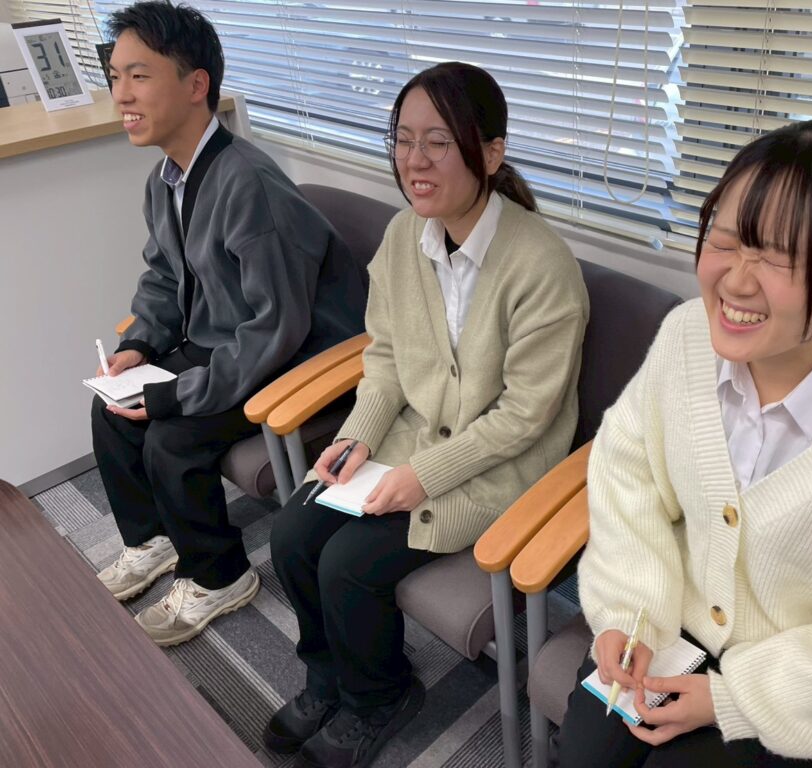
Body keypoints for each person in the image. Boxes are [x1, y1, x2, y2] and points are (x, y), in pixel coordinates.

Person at [556, 119, 812, 767]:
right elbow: (627, 470)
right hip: (666, 625)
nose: (736, 281)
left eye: (782, 258)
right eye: (725, 240)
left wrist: (736, 698)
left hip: (795, 682)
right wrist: (628, 610)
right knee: (583, 756)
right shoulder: (686, 337)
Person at [265, 62, 589, 768]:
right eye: (404, 139)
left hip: (500, 468)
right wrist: (357, 437)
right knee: (290, 534)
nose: (414, 160)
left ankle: (380, 696)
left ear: (491, 153)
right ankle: (329, 678)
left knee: (347, 564)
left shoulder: (542, 265)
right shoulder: (402, 238)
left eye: (438, 142)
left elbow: (525, 416)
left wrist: (424, 475)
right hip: (408, 443)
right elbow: (384, 357)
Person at [92, 1, 365, 647]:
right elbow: (165, 277)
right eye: (115, 77)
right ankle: (154, 541)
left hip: (298, 359)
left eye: (138, 76)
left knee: (170, 438)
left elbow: (276, 330)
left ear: (196, 85)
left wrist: (176, 394)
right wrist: (140, 344)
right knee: (111, 408)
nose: (121, 96)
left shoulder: (251, 186)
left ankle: (221, 576)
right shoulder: (166, 180)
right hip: (230, 343)